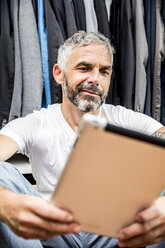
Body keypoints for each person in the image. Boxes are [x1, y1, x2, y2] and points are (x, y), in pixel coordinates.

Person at [0, 31, 165, 248]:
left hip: (112, 230)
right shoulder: (37, 122)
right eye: (84, 68)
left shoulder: (126, 119)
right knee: (4, 172)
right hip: (52, 227)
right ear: (59, 74)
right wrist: (7, 203)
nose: (95, 79)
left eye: (104, 71)